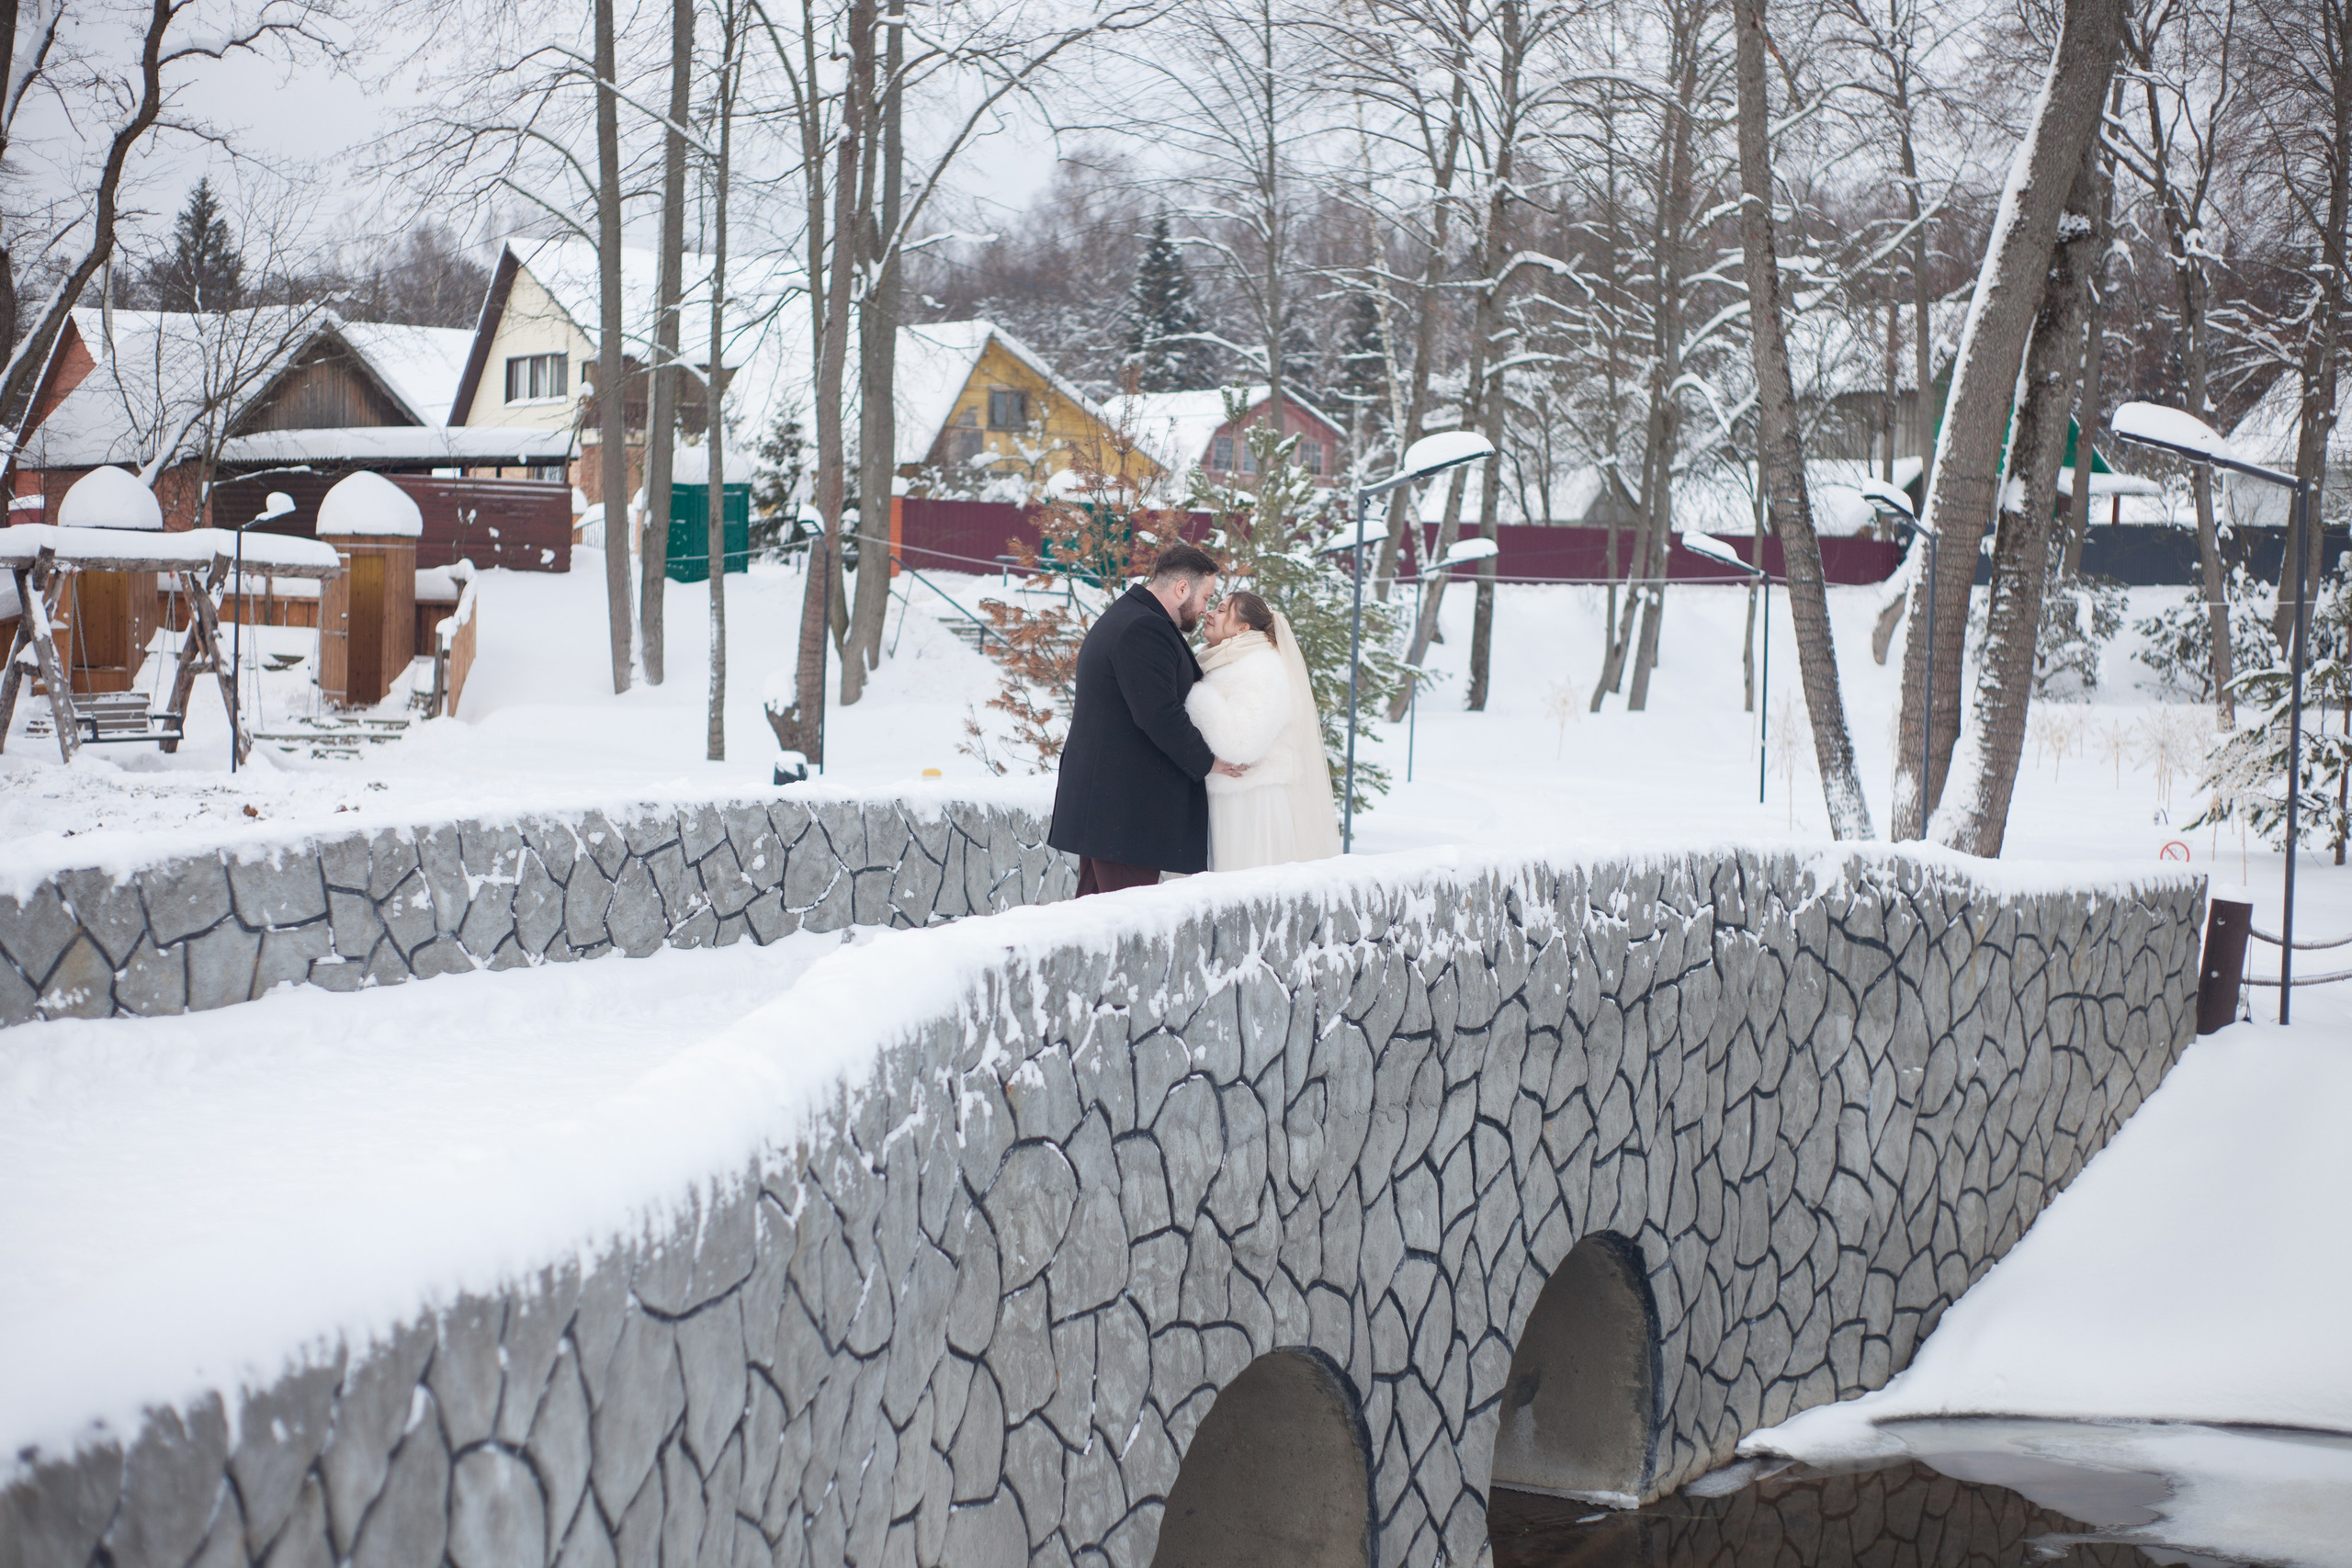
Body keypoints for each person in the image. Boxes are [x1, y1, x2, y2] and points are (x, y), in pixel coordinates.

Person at [1048, 541, 1231, 895]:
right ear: (1182, 589)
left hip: (1110, 812)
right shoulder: (1143, 628)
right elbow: (1159, 713)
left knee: (1096, 923)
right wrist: (1209, 761)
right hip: (1123, 814)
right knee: (1124, 927)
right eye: (1206, 597)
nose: (1205, 608)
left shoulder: (1131, 616)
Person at [1183, 590, 1343, 871]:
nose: (1209, 614)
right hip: (1231, 802)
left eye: (1221, 610)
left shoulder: (1262, 668)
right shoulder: (1225, 661)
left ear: (1243, 627)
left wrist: (1198, 696)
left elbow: (1241, 743)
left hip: (1253, 808)